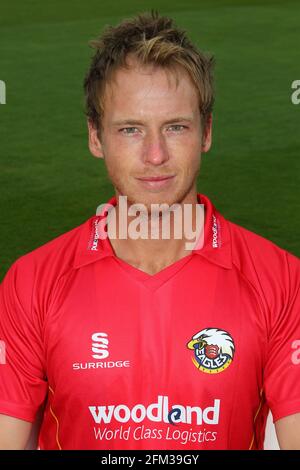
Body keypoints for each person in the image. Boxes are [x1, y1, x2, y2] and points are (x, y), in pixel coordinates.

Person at [0, 11, 299, 451]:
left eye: (175, 127)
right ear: (96, 138)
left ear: (206, 132)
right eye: (131, 130)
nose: (155, 155)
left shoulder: (281, 279)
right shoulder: (32, 282)